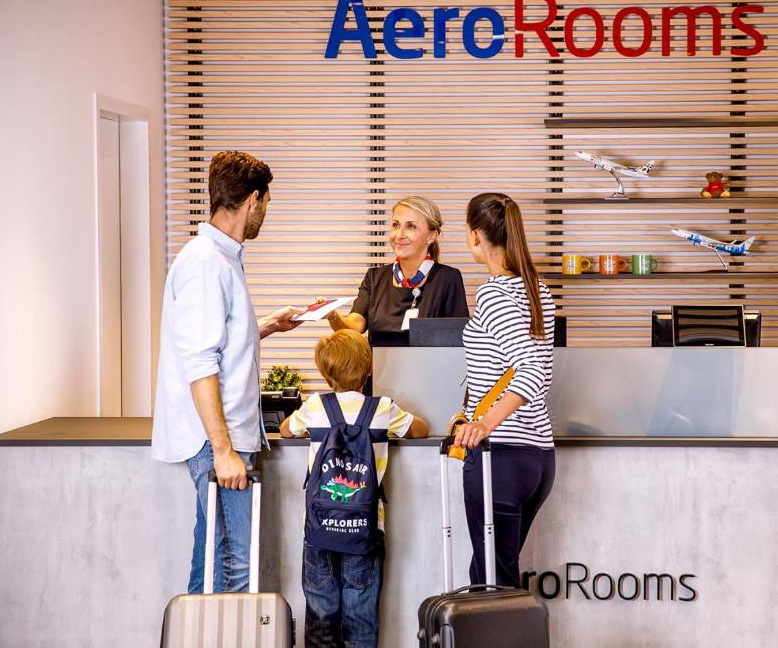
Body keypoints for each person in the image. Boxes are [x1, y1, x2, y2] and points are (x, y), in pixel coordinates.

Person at [152, 150, 306, 594]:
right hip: (214, 441)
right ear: (254, 200)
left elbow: (216, 340)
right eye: (268, 202)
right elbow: (199, 363)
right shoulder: (205, 263)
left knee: (210, 557)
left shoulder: (221, 257)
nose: (265, 212)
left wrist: (267, 327)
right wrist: (222, 451)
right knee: (236, 563)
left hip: (222, 438)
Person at [280, 329, 429, 648]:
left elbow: (285, 430)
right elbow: (420, 429)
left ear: (324, 372)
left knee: (321, 617)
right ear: (369, 367)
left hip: (319, 529)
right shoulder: (383, 408)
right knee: (361, 618)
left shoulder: (314, 406)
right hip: (364, 529)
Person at [453, 192, 557, 589]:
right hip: (537, 460)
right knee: (496, 581)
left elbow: (533, 371)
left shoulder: (495, 293)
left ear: (475, 235)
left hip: (502, 458)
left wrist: (484, 424)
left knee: (490, 587)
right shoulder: (536, 288)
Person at [327, 195, 468, 346]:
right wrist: (333, 316)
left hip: (428, 369)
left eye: (411, 226)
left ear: (432, 236)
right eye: (395, 225)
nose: (400, 235)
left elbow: (458, 342)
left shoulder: (447, 278)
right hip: (380, 369)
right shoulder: (374, 277)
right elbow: (354, 327)